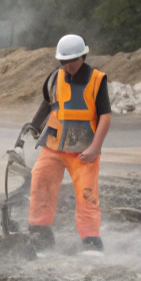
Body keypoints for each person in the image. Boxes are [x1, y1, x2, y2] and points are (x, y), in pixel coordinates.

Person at [22, 34, 111, 254]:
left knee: (86, 194)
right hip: (53, 146)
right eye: (63, 62)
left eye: (71, 61)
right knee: (40, 183)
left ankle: (91, 242)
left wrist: (94, 148)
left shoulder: (97, 80)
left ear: (82, 57)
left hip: (83, 150)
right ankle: (40, 234)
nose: (66, 66)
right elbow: (47, 103)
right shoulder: (55, 77)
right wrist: (33, 125)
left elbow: (105, 117)